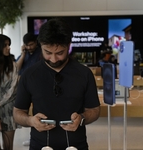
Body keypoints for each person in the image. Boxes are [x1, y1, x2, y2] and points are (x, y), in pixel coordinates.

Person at [13, 18, 100, 150]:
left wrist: (81, 118)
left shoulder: (84, 74)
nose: (53, 59)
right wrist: (31, 121)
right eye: (48, 52)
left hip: (76, 145)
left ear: (69, 46)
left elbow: (94, 110)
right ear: (40, 45)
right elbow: (18, 112)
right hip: (40, 144)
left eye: (60, 53)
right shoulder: (29, 75)